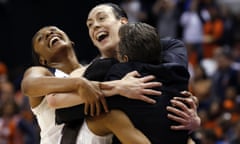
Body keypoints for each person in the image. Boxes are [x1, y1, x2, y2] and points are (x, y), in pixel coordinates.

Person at [54, 2, 200, 144]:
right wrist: (116, 87)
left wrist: (193, 117)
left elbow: (171, 82)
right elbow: (61, 107)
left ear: (123, 22)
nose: (95, 25)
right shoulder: (97, 69)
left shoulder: (169, 47)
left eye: (101, 18)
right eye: (90, 25)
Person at [21, 25, 161, 144]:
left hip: (103, 137)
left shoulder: (97, 67)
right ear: (42, 60)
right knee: (110, 116)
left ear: (71, 42)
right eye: (40, 38)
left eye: (54, 30)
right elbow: (28, 85)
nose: (49, 33)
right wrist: (79, 83)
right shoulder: (43, 73)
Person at [89, 21, 190, 144]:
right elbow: (174, 43)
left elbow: (81, 107)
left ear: (125, 59)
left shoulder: (120, 73)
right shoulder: (177, 67)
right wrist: (145, 42)